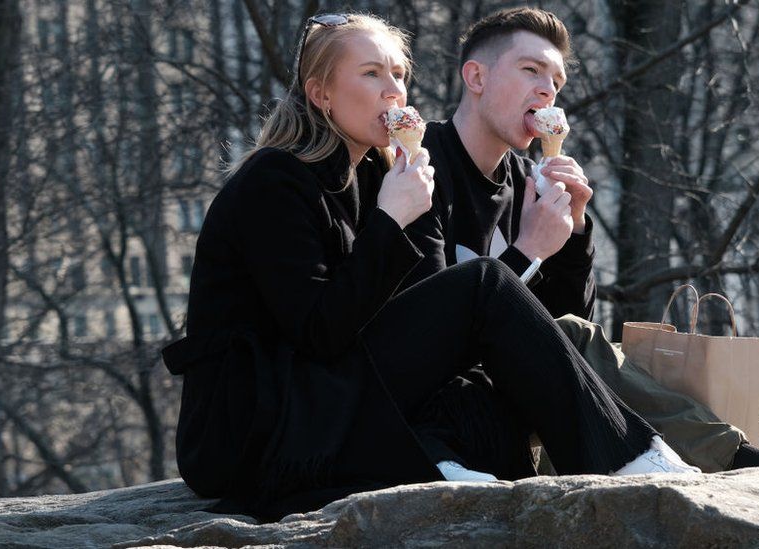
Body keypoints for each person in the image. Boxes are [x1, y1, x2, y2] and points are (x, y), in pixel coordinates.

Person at [162, 13, 697, 523]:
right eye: (371, 74)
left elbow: (530, 334)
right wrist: (393, 224)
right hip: (257, 429)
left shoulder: (376, 176)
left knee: (488, 402)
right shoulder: (274, 181)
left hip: (339, 406)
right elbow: (319, 332)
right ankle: (627, 461)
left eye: (399, 74)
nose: (394, 90)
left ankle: (460, 463)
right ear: (320, 93)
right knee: (483, 282)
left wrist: (572, 238)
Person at [401, 7, 759, 474]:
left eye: (557, 82)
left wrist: (576, 235)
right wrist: (531, 247)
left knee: (632, 355)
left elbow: (565, 321)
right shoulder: (418, 171)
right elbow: (437, 331)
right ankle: (734, 458)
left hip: (537, 389)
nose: (547, 90)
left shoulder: (528, 179)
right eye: (530, 70)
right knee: (577, 336)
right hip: (453, 403)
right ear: (476, 76)